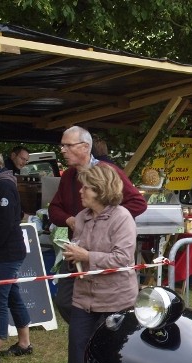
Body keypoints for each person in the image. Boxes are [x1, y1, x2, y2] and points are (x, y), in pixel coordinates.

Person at [51, 164, 138, 363]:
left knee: (113, 348)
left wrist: (86, 255)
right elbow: (81, 249)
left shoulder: (122, 218)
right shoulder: (81, 217)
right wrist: (72, 253)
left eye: (86, 187)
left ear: (100, 190)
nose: (81, 192)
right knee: (77, 341)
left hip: (116, 297)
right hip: (84, 295)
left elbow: (122, 259)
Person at [48, 125, 146, 323]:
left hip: (107, 253)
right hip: (76, 253)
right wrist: (70, 220)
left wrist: (108, 220)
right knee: (65, 301)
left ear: (85, 147)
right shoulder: (68, 176)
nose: (63, 150)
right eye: (62, 145)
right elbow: (54, 209)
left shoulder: (108, 172)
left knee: (108, 309)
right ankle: (86, 330)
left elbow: (138, 203)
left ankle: (99, 336)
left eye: (68, 145)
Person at [0, 146, 32, 363]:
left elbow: (4, 224)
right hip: (0, 252)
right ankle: (24, 343)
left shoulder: (2, 185)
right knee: (12, 296)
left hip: (7, 253)